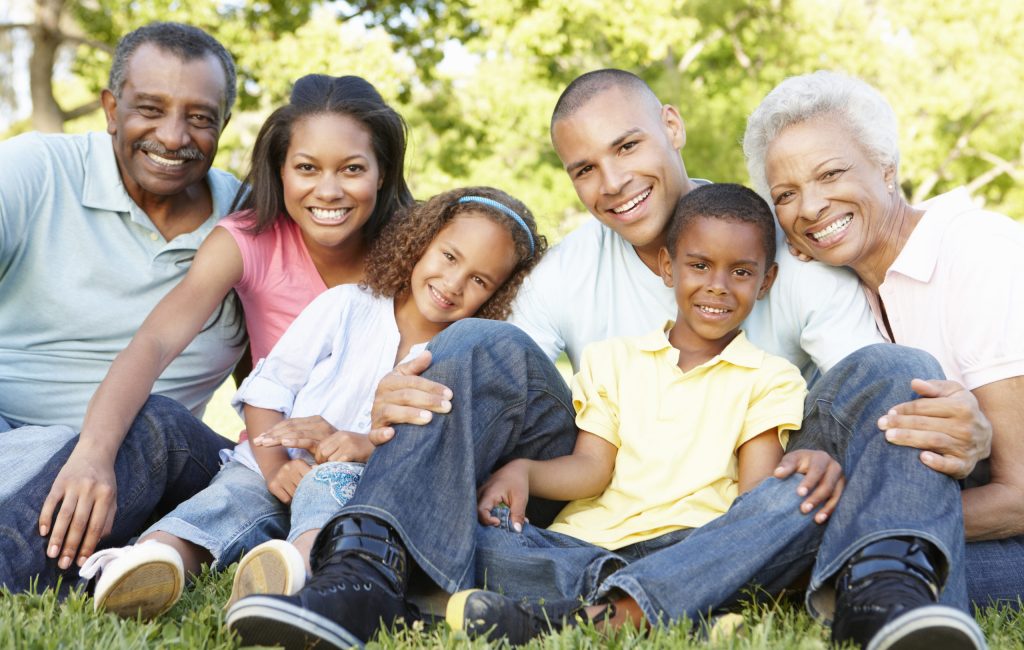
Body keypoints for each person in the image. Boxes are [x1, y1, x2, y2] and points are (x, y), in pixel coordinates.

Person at [225, 70, 991, 649]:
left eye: (627, 146)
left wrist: (832, 454)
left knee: (894, 375)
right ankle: (362, 574)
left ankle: (880, 594)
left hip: (762, 501)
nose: (613, 182)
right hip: (603, 503)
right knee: (473, 344)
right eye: (584, 168)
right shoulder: (568, 272)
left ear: (671, 125)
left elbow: (872, 394)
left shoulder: (772, 243)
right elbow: (494, 388)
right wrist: (400, 405)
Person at [78, 186, 544, 620]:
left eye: (479, 280)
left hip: (353, 489)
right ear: (422, 241)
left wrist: (359, 445)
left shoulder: (462, 360)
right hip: (271, 465)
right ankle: (152, 557)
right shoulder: (346, 306)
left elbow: (434, 459)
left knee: (327, 509)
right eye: (448, 256)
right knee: (228, 501)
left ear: (497, 293)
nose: (453, 283)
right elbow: (266, 392)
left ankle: (291, 576)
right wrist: (276, 466)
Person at [446, 183, 838, 643]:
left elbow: (752, 508)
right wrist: (524, 472)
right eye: (699, 265)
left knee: (790, 506)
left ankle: (567, 617)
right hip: (588, 544)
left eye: (741, 272)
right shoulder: (611, 359)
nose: (718, 285)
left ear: (765, 281)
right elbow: (592, 469)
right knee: (487, 541)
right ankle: (676, 608)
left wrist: (728, 549)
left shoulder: (771, 377)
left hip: (690, 545)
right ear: (668, 267)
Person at [743, 69, 1022, 642]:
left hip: (1012, 531)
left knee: (803, 567)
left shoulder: (977, 255)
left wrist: (858, 526)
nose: (811, 206)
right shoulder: (847, 294)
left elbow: (1021, 496)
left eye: (831, 173)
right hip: (944, 525)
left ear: (887, 168)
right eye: (786, 195)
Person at [0, 22, 243, 594]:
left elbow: (285, 372)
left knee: (150, 426)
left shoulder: (249, 225)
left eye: (200, 117)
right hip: (10, 433)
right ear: (112, 108)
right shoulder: (37, 169)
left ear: (223, 126)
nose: (173, 135)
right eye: (150, 109)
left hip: (139, 461)